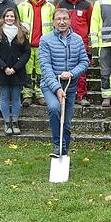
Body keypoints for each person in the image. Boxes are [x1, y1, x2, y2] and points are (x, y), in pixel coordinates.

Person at [39, 8, 90, 157]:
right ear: (53, 21)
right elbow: (45, 66)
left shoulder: (78, 39)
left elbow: (84, 61)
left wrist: (72, 73)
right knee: (55, 108)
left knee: (66, 123)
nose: (62, 22)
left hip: (70, 86)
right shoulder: (45, 39)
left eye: (65, 19)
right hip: (50, 85)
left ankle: (64, 152)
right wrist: (56, 88)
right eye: (58, 19)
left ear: (69, 20)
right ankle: (57, 145)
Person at [0, 8, 31, 135]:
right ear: (3, 17)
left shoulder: (22, 32)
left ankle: (15, 121)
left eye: (12, 16)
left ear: (16, 18)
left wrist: (15, 68)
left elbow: (26, 52)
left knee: (16, 97)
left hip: (17, 71)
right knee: (4, 97)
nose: (9, 18)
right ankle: (7, 122)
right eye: (7, 16)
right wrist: (4, 67)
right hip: (3, 70)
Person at [17, 0, 55, 107]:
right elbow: (17, 25)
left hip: (43, 45)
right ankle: (27, 95)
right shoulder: (22, 6)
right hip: (26, 45)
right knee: (27, 71)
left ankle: (40, 94)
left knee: (41, 71)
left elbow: (54, 27)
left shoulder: (50, 7)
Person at [56, 0, 92, 107]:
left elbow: (90, 22)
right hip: (64, 40)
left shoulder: (87, 5)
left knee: (81, 71)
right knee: (64, 68)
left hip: (81, 42)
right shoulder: (61, 4)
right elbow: (56, 21)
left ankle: (81, 95)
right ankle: (63, 94)